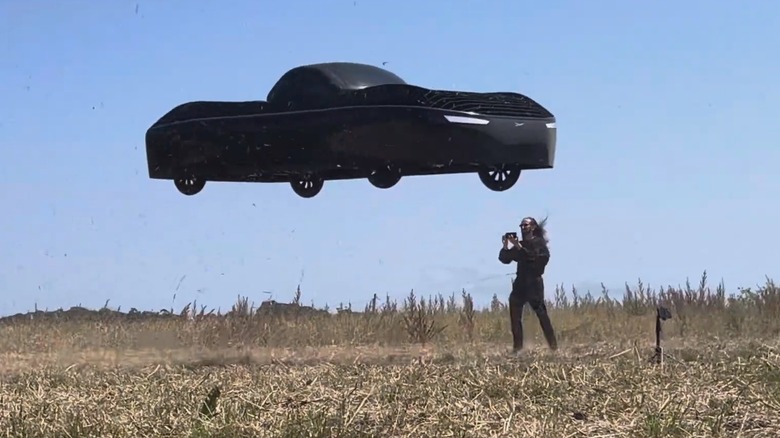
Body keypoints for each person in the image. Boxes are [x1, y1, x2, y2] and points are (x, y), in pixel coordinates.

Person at [498, 216, 558, 352]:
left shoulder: (539, 243)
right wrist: (505, 246)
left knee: (541, 314)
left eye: (526, 225)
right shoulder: (520, 244)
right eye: (522, 226)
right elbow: (505, 259)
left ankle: (553, 346)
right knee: (515, 312)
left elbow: (534, 258)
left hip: (534, 282)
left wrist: (519, 247)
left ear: (533, 227)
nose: (523, 228)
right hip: (520, 282)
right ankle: (517, 347)